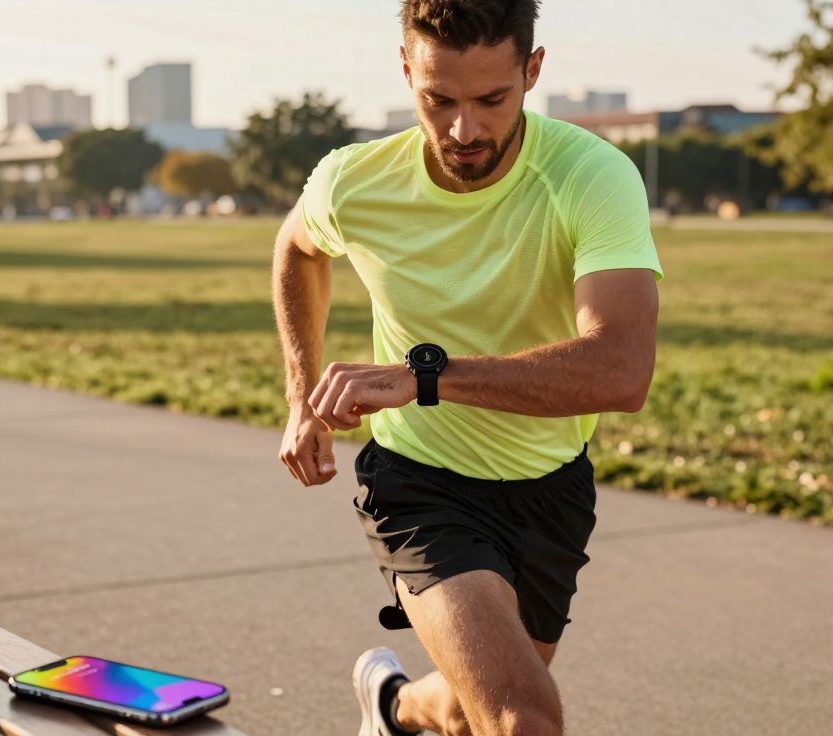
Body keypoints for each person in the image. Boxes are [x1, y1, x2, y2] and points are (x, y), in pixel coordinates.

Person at [272, 1, 663, 733]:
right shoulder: (354, 181)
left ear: (532, 71)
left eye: (491, 100)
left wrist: (425, 376)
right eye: (438, 100)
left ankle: (390, 706)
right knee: (523, 720)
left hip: (552, 487)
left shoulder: (590, 176)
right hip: (419, 483)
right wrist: (301, 397)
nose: (465, 130)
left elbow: (620, 370)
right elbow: (298, 249)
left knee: (462, 709)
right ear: (406, 73)